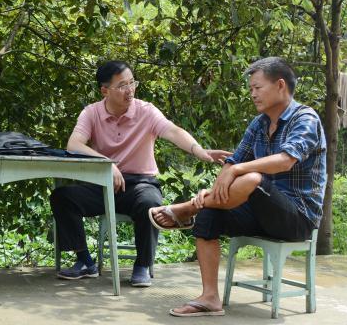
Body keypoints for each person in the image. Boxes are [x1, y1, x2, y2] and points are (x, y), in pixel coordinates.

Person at [149, 57, 326, 316]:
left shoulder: (305, 118)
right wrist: (220, 184)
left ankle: (186, 208)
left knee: (253, 179)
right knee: (209, 213)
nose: (252, 94)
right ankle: (210, 298)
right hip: (260, 212)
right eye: (251, 88)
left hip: (297, 218)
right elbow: (233, 161)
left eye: (258, 87)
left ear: (280, 85)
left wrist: (236, 170)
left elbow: (285, 161)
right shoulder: (259, 123)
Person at [51, 61, 230, 287]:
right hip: (103, 184)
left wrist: (198, 150)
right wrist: (107, 164)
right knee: (62, 197)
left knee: (150, 203)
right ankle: (85, 261)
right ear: (105, 90)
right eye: (122, 85)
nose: (130, 90)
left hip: (140, 184)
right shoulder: (92, 112)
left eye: (132, 83)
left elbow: (173, 131)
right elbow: (74, 144)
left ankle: (142, 265)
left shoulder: (146, 111)